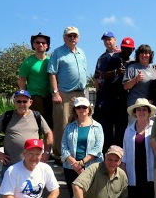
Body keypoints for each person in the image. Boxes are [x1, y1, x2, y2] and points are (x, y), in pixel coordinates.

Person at [0, 89, 53, 174]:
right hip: (11, 167)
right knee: (8, 188)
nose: (22, 104)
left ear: (30, 102)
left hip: (33, 166)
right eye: (19, 101)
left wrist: (46, 153)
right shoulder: (7, 116)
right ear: (14, 102)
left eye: (25, 101)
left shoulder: (37, 116)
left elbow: (48, 133)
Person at [61, 97, 104, 198]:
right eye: (78, 107)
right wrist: (75, 164)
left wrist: (82, 163)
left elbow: (97, 149)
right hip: (71, 167)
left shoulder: (97, 127)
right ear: (75, 110)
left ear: (89, 109)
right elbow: (64, 147)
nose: (81, 109)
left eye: (84, 107)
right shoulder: (69, 127)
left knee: (91, 197)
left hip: (91, 167)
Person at [48, 26, 87, 158]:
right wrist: (55, 92)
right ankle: (59, 155)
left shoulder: (81, 52)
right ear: (64, 37)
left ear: (78, 38)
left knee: (79, 124)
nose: (72, 38)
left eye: (74, 36)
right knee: (62, 125)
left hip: (80, 93)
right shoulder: (57, 52)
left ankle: (76, 153)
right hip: (63, 94)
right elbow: (52, 73)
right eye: (69, 36)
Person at [122, 98, 156, 198]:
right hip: (133, 171)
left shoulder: (154, 127)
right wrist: (123, 173)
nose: (141, 112)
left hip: (150, 170)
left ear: (149, 112)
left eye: (144, 109)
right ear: (135, 112)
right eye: (139, 109)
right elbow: (124, 153)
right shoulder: (128, 129)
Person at [98, 37, 135, 151]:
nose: (126, 51)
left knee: (121, 129)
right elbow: (102, 74)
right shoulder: (109, 57)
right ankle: (106, 154)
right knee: (107, 129)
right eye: (124, 48)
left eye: (129, 49)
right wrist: (116, 72)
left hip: (123, 99)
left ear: (133, 49)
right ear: (121, 47)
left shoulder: (132, 61)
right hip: (109, 98)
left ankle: (119, 154)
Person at [18, 32, 53, 128]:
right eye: (37, 42)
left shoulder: (51, 61)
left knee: (51, 126)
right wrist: (25, 98)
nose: (40, 44)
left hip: (50, 97)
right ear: (33, 45)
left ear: (47, 45)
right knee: (36, 126)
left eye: (43, 42)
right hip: (35, 98)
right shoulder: (28, 62)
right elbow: (21, 81)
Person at [92, 31, 120, 123]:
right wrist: (98, 92)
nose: (107, 42)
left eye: (109, 39)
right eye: (105, 40)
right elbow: (97, 76)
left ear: (115, 40)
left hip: (119, 95)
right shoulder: (101, 58)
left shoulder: (122, 54)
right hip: (105, 95)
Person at [123, 44, 156, 115]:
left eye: (146, 53)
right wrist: (136, 79)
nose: (144, 55)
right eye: (142, 53)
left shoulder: (153, 70)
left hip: (149, 108)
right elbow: (125, 86)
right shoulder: (132, 68)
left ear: (150, 55)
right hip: (135, 107)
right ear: (138, 55)